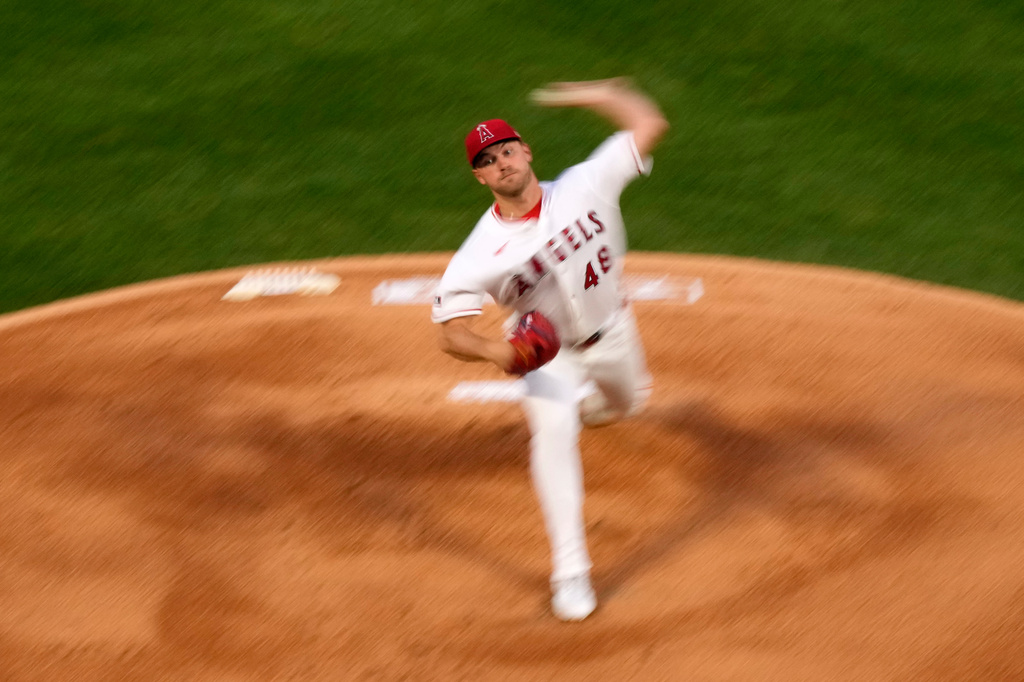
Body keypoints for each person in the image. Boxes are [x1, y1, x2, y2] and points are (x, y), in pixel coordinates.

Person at [431, 78, 669, 621]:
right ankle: (571, 573)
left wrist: (601, 93)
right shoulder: (479, 254)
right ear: (480, 176)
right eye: (488, 160)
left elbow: (648, 123)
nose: (502, 163)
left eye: (507, 150)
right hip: (546, 352)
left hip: (614, 330)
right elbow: (450, 332)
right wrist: (502, 355)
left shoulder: (587, 184)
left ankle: (590, 407)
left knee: (627, 404)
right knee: (553, 432)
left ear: (526, 151)